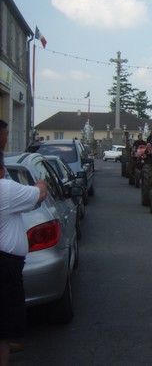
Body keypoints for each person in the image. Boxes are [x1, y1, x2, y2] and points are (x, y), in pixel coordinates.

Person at [0, 150, 47, 366]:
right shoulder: (5, 189)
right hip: (4, 266)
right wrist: (41, 182)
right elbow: (40, 195)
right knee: (4, 321)